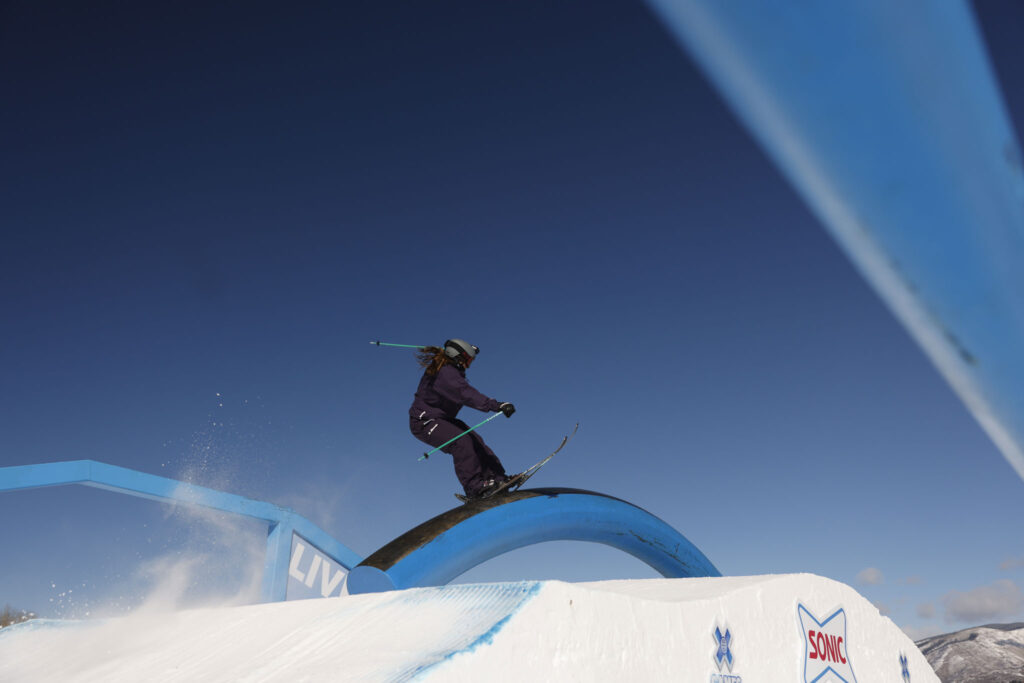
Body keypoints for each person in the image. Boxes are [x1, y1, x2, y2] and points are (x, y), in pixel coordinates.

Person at [409, 339, 516, 498]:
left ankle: (497, 479)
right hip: (424, 421)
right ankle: (475, 488)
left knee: (476, 441)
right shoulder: (445, 373)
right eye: (469, 359)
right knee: (462, 442)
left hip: (442, 419)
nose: (469, 364)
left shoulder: (451, 372)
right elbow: (465, 393)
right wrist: (496, 405)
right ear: (458, 356)